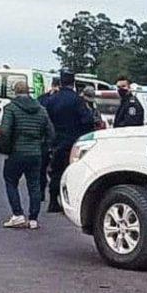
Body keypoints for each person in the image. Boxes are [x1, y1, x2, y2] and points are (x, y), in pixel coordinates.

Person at [0, 81, 54, 230]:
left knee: (10, 181)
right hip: (35, 153)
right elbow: (50, 133)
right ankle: (34, 219)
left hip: (16, 152)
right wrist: (42, 148)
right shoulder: (41, 110)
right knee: (34, 185)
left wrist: (6, 149)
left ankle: (18, 215)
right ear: (28, 91)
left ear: (15, 92)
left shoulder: (11, 108)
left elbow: (4, 131)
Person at [44, 70, 94, 212]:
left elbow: (45, 120)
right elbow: (88, 120)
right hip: (74, 142)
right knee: (72, 173)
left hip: (56, 142)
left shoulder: (52, 100)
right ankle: (70, 203)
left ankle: (53, 202)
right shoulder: (77, 100)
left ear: (60, 82)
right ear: (73, 83)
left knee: (56, 173)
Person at [37, 77, 62, 198]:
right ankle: (52, 194)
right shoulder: (61, 99)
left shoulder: (42, 99)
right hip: (57, 139)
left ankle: (42, 192)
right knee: (55, 169)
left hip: (45, 139)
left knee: (43, 168)